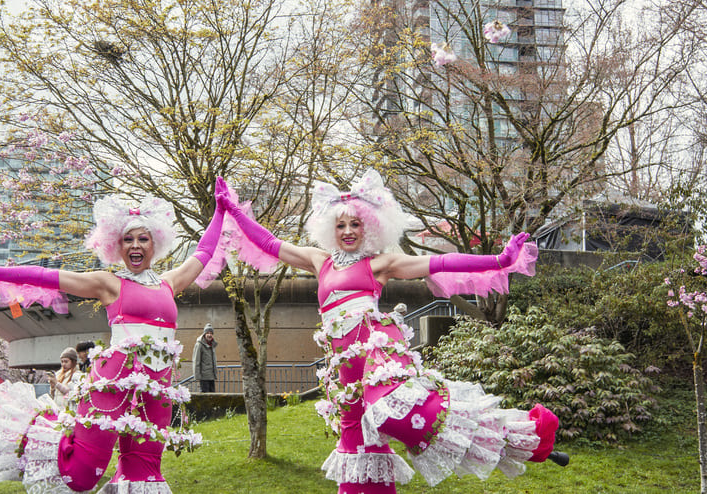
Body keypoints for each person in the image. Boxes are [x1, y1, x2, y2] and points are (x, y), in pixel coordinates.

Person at [216, 172, 566, 494]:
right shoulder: (318, 261)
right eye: (341, 225)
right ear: (330, 230)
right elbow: (268, 242)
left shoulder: (380, 264)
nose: (348, 231)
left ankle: (520, 437)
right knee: (356, 452)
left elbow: (442, 263)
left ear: (369, 228)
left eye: (356, 224)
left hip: (375, 362)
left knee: (404, 417)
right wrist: (232, 210)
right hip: (346, 377)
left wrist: (499, 261)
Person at [0, 194, 225, 494]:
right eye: (127, 240)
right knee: (82, 474)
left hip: (157, 388)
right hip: (112, 383)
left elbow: (204, 251)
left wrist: (221, 209)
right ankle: (31, 428)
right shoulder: (108, 283)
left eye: (142, 239)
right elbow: (47, 276)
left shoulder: (170, 282)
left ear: (155, 244)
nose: (135, 245)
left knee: (145, 472)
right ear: (117, 246)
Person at [192, 324, 218, 393]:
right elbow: (196, 361)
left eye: (211, 333)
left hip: (211, 376)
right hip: (204, 377)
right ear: (204, 334)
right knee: (205, 397)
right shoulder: (199, 344)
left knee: (213, 397)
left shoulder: (212, 344)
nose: (209, 335)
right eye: (207, 333)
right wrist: (197, 376)